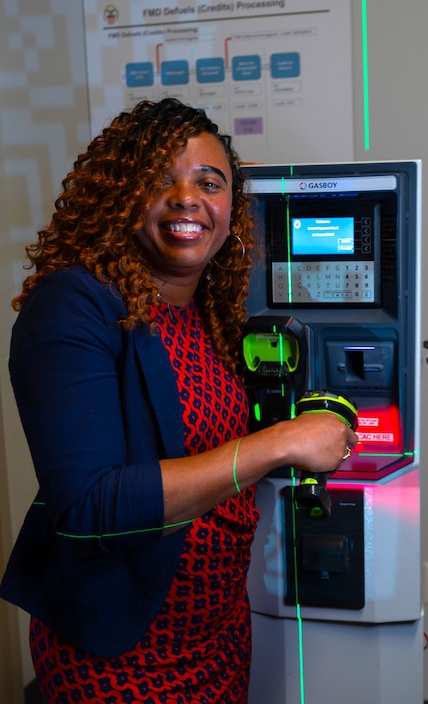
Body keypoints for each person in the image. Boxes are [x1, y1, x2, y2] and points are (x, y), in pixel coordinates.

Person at [0, 97, 357, 703]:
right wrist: (278, 443)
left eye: (209, 183)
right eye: (159, 179)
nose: (188, 197)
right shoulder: (74, 305)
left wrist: (304, 419)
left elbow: (206, 434)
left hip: (217, 634)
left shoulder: (205, 314)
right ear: (118, 195)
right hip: (121, 655)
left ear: (231, 210)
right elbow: (90, 505)